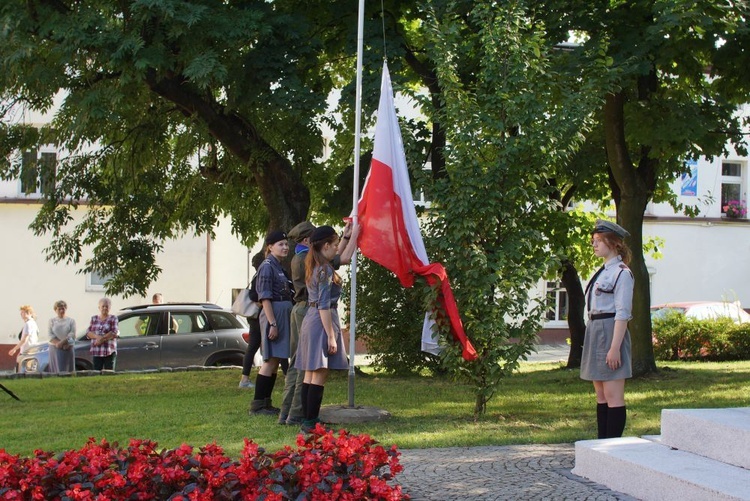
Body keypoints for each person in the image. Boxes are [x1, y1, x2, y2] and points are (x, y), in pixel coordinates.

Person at [280, 220, 358, 426]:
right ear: (324, 247)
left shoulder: (313, 262)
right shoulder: (324, 270)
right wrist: (332, 336)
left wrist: (348, 236)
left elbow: (339, 255)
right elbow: (324, 304)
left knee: (310, 373)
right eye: (334, 245)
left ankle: (308, 419)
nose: (336, 248)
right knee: (320, 373)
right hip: (321, 320)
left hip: (311, 319)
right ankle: (311, 422)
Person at [580, 219, 634, 439]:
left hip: (611, 331)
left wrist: (615, 348)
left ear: (612, 243)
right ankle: (601, 445)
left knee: (613, 395)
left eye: (598, 241)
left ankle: (612, 447)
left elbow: (622, 313)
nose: (594, 245)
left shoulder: (622, 273)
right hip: (595, 330)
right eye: (593, 241)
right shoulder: (603, 271)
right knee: (601, 394)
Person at [249, 231, 295, 415]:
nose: (285, 247)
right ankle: (258, 405)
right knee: (269, 360)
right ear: (270, 246)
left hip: (281, 315)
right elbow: (265, 298)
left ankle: (266, 403)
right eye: (280, 244)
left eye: (286, 244)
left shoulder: (278, 266)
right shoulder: (267, 266)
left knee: (275, 360)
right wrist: (273, 323)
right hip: (273, 315)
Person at [239, 253, 264, 389]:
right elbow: (254, 294)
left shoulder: (256, 276)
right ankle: (245, 379)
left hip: (254, 317)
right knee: (254, 346)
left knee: (253, 347)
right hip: (258, 317)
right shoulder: (260, 276)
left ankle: (245, 377)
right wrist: (263, 301)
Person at [86, 297, 119, 371]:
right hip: (96, 351)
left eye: (106, 306)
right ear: (99, 307)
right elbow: (88, 332)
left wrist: (102, 339)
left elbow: (114, 332)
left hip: (109, 351)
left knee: (109, 372)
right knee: (96, 373)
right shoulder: (94, 318)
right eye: (103, 306)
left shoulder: (113, 318)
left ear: (110, 307)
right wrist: (97, 337)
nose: (104, 308)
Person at [48, 300, 76, 373]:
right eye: (59, 309)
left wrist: (66, 343)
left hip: (67, 347)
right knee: (57, 370)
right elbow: (50, 335)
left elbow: (72, 334)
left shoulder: (71, 321)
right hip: (55, 348)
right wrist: (58, 344)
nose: (61, 310)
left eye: (63, 308)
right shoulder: (52, 321)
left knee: (68, 370)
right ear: (55, 310)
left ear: (65, 309)